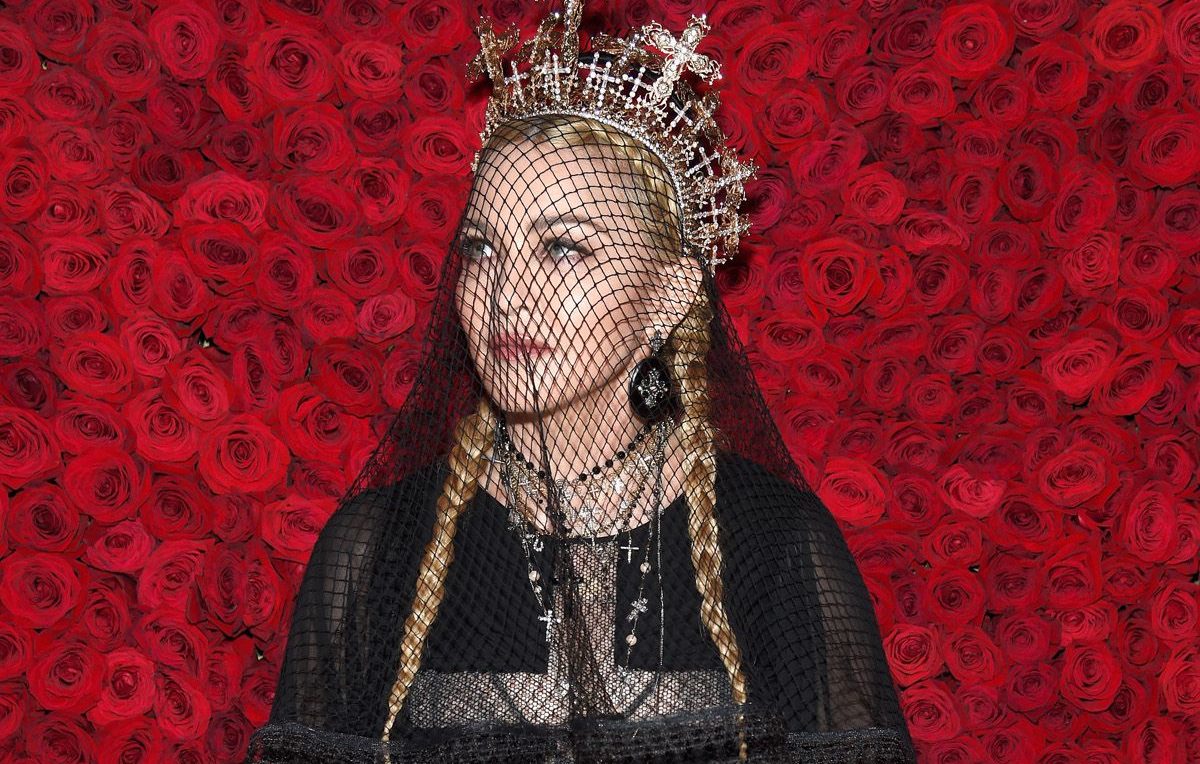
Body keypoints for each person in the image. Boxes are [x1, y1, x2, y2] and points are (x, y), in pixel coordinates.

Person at [245, 3, 917, 762]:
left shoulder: (773, 545)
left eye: (563, 249)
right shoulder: (377, 549)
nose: (508, 296)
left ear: (667, 295)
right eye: (482, 249)